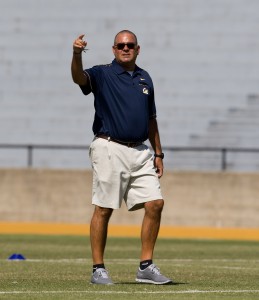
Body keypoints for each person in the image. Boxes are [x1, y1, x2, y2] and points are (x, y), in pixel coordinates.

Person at [71, 30, 172, 285]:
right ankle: (98, 269)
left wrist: (158, 152)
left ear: (138, 49)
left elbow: (152, 120)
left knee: (155, 203)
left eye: (130, 45)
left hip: (140, 151)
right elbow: (78, 78)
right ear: (114, 49)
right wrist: (76, 54)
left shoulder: (145, 78)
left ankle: (146, 267)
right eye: (120, 45)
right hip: (109, 147)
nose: (125, 48)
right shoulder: (102, 73)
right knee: (104, 209)